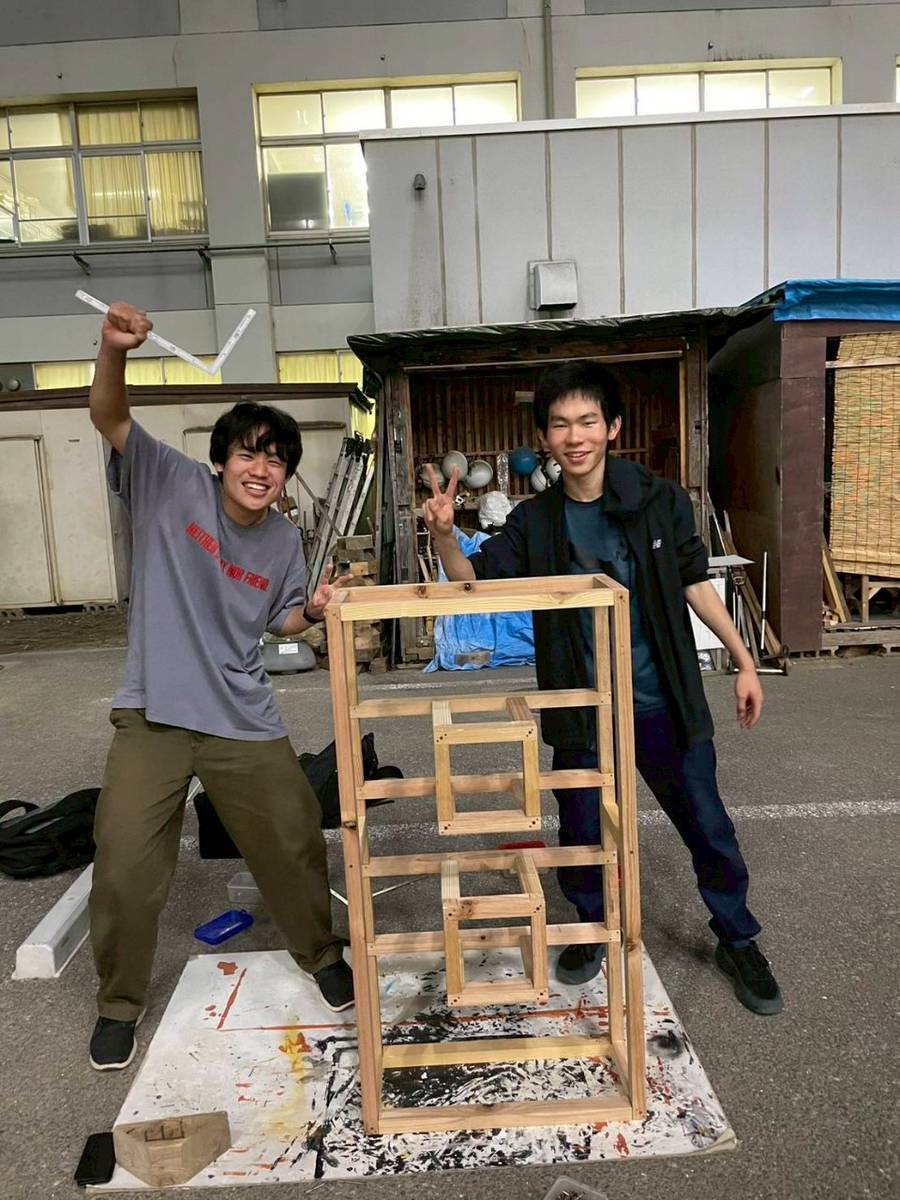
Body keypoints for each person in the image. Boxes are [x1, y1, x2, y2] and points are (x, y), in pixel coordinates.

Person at [423, 361, 783, 1016]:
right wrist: (445, 535)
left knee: (707, 824)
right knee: (582, 830)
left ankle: (737, 936)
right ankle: (590, 926)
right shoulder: (537, 521)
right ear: (546, 437)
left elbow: (695, 582)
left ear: (612, 427)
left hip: (661, 702)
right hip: (582, 708)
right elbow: (471, 582)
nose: (575, 436)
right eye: (560, 424)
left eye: (587, 420)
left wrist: (744, 660)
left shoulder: (657, 500)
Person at [87, 301, 355, 1072]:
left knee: (295, 836)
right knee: (124, 865)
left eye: (276, 461)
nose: (261, 469)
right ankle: (119, 1003)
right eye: (248, 453)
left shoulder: (283, 539)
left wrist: (314, 609)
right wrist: (113, 351)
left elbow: (283, 620)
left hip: (240, 713)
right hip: (154, 713)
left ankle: (320, 952)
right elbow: (108, 415)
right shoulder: (169, 481)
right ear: (222, 459)